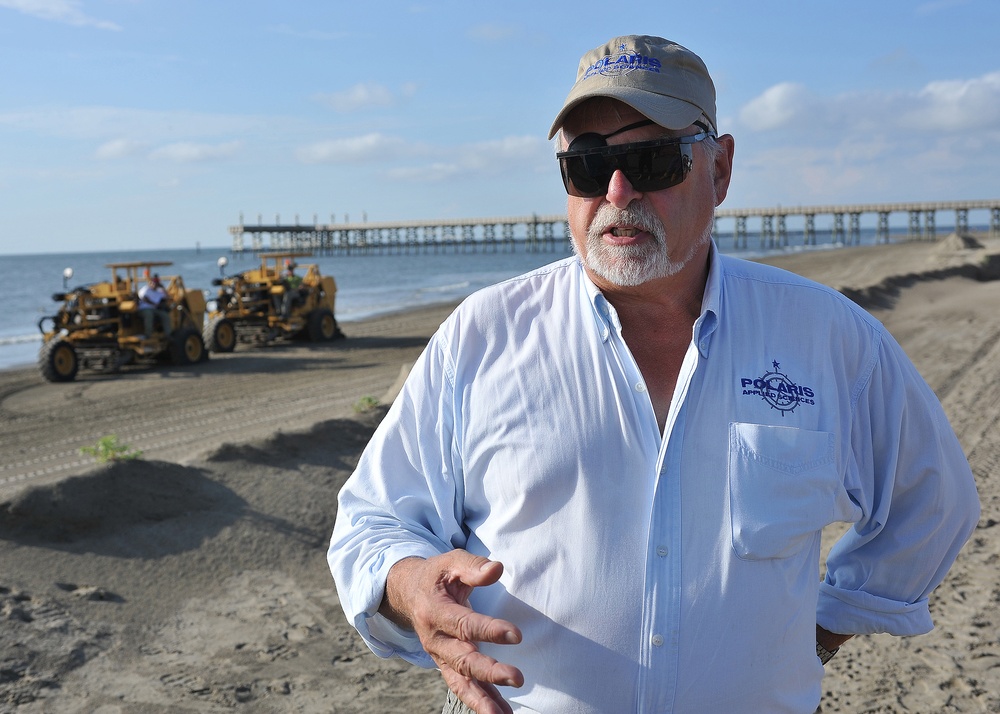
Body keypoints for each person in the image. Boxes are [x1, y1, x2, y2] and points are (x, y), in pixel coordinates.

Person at [327, 35, 980, 714]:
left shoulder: (827, 337)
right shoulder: (483, 336)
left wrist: (816, 634)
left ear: (720, 169)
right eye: (585, 165)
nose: (616, 190)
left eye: (651, 159)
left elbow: (933, 500)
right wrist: (411, 586)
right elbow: (372, 521)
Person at [137, 274, 172, 338]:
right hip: (145, 308)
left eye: (156, 283)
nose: (154, 285)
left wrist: (163, 288)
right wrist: (153, 304)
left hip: (155, 309)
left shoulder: (159, 291)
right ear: (150, 283)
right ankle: (148, 334)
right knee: (149, 315)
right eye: (153, 283)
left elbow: (167, 297)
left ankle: (168, 334)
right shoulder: (145, 290)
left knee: (165, 315)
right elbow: (144, 298)